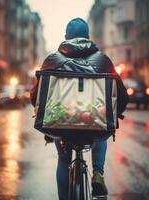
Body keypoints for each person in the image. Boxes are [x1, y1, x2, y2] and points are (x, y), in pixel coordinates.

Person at [31, 18, 128, 199]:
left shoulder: (52, 60)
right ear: (88, 37)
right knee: (101, 126)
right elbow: (121, 95)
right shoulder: (103, 60)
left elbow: (36, 95)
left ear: (66, 37)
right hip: (93, 123)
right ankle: (98, 173)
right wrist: (117, 113)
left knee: (63, 159)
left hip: (61, 125)